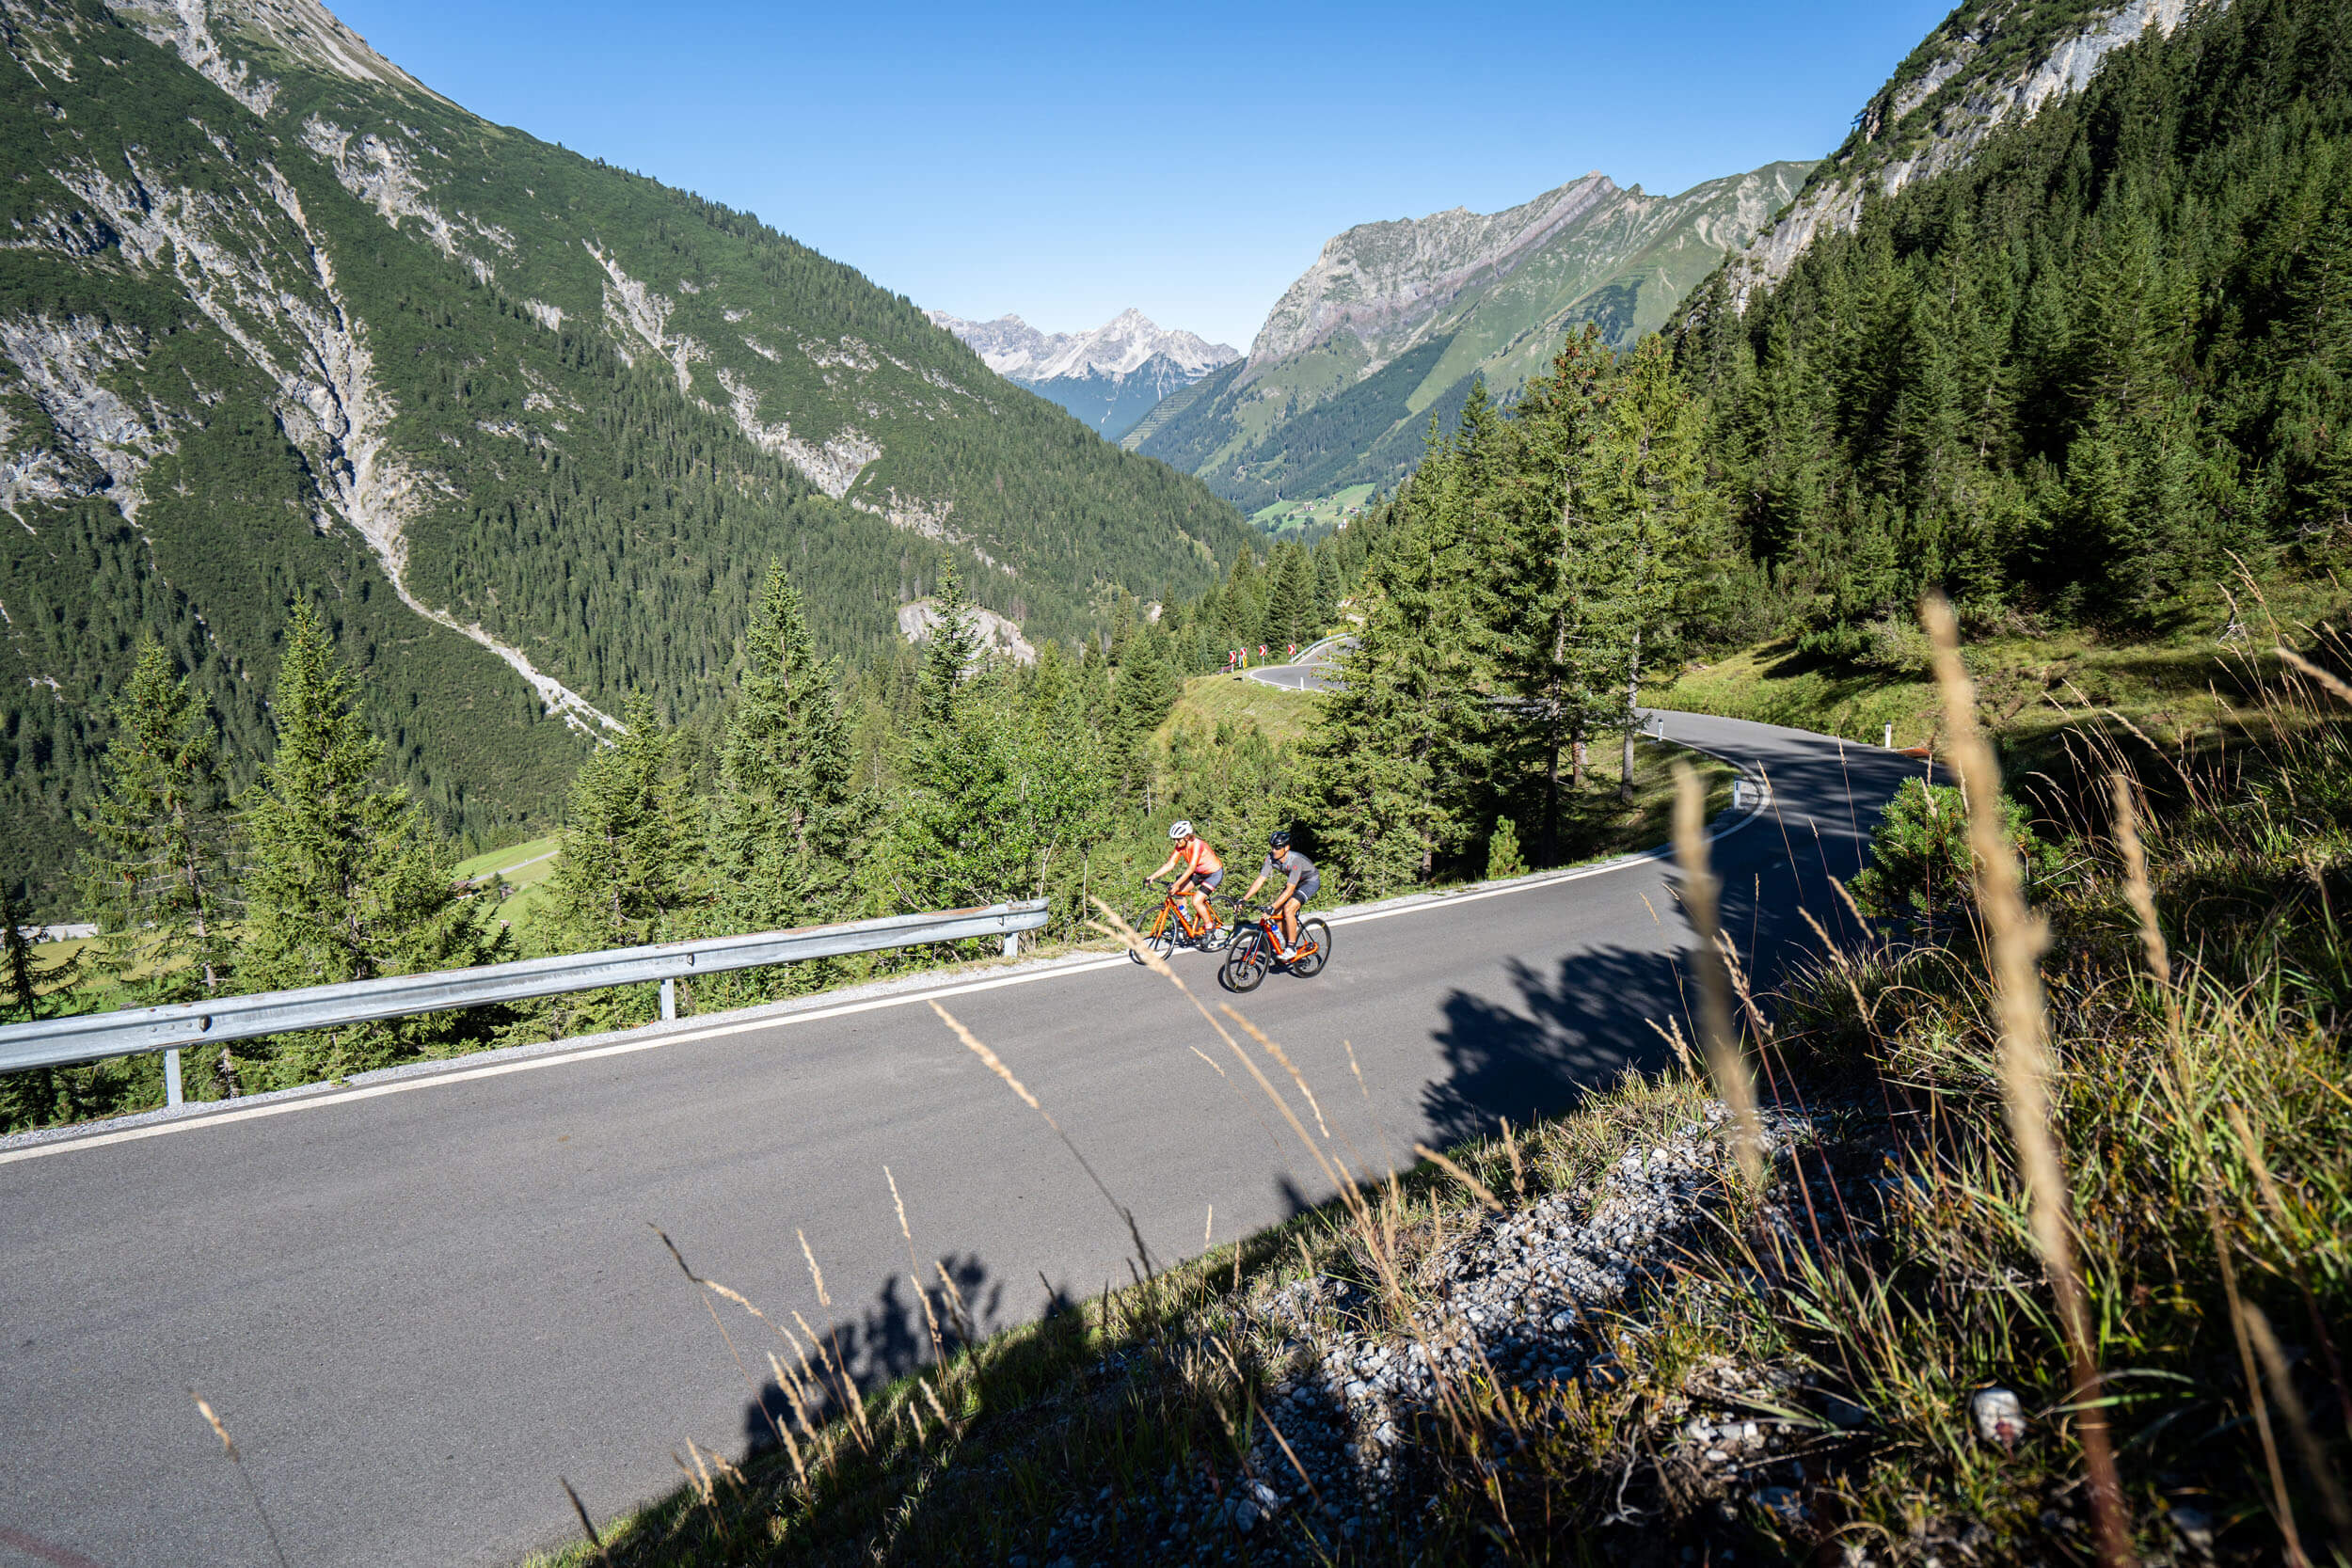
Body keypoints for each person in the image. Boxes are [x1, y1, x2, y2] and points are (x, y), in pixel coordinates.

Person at [1241, 828, 1319, 960]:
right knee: (1276, 914)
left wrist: (1271, 906)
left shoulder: (1295, 861)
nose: (1274, 850)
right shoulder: (1270, 858)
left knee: (1289, 909)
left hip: (1309, 882)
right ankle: (1288, 940)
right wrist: (1244, 899)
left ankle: (1291, 947)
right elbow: (1260, 880)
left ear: (1286, 847)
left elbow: (1289, 890)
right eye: (1272, 847)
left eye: (1277, 848)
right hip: (1295, 882)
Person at [1145, 819, 1224, 936]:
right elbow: (1170, 864)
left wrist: (1177, 883)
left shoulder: (1197, 845)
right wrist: (1153, 876)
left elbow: (1191, 868)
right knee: (1178, 893)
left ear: (1187, 837)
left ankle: (1209, 926)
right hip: (1199, 873)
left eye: (1178, 839)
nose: (1176, 842)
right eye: (1174, 840)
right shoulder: (1180, 846)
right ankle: (1185, 919)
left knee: (1196, 901)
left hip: (1213, 874)